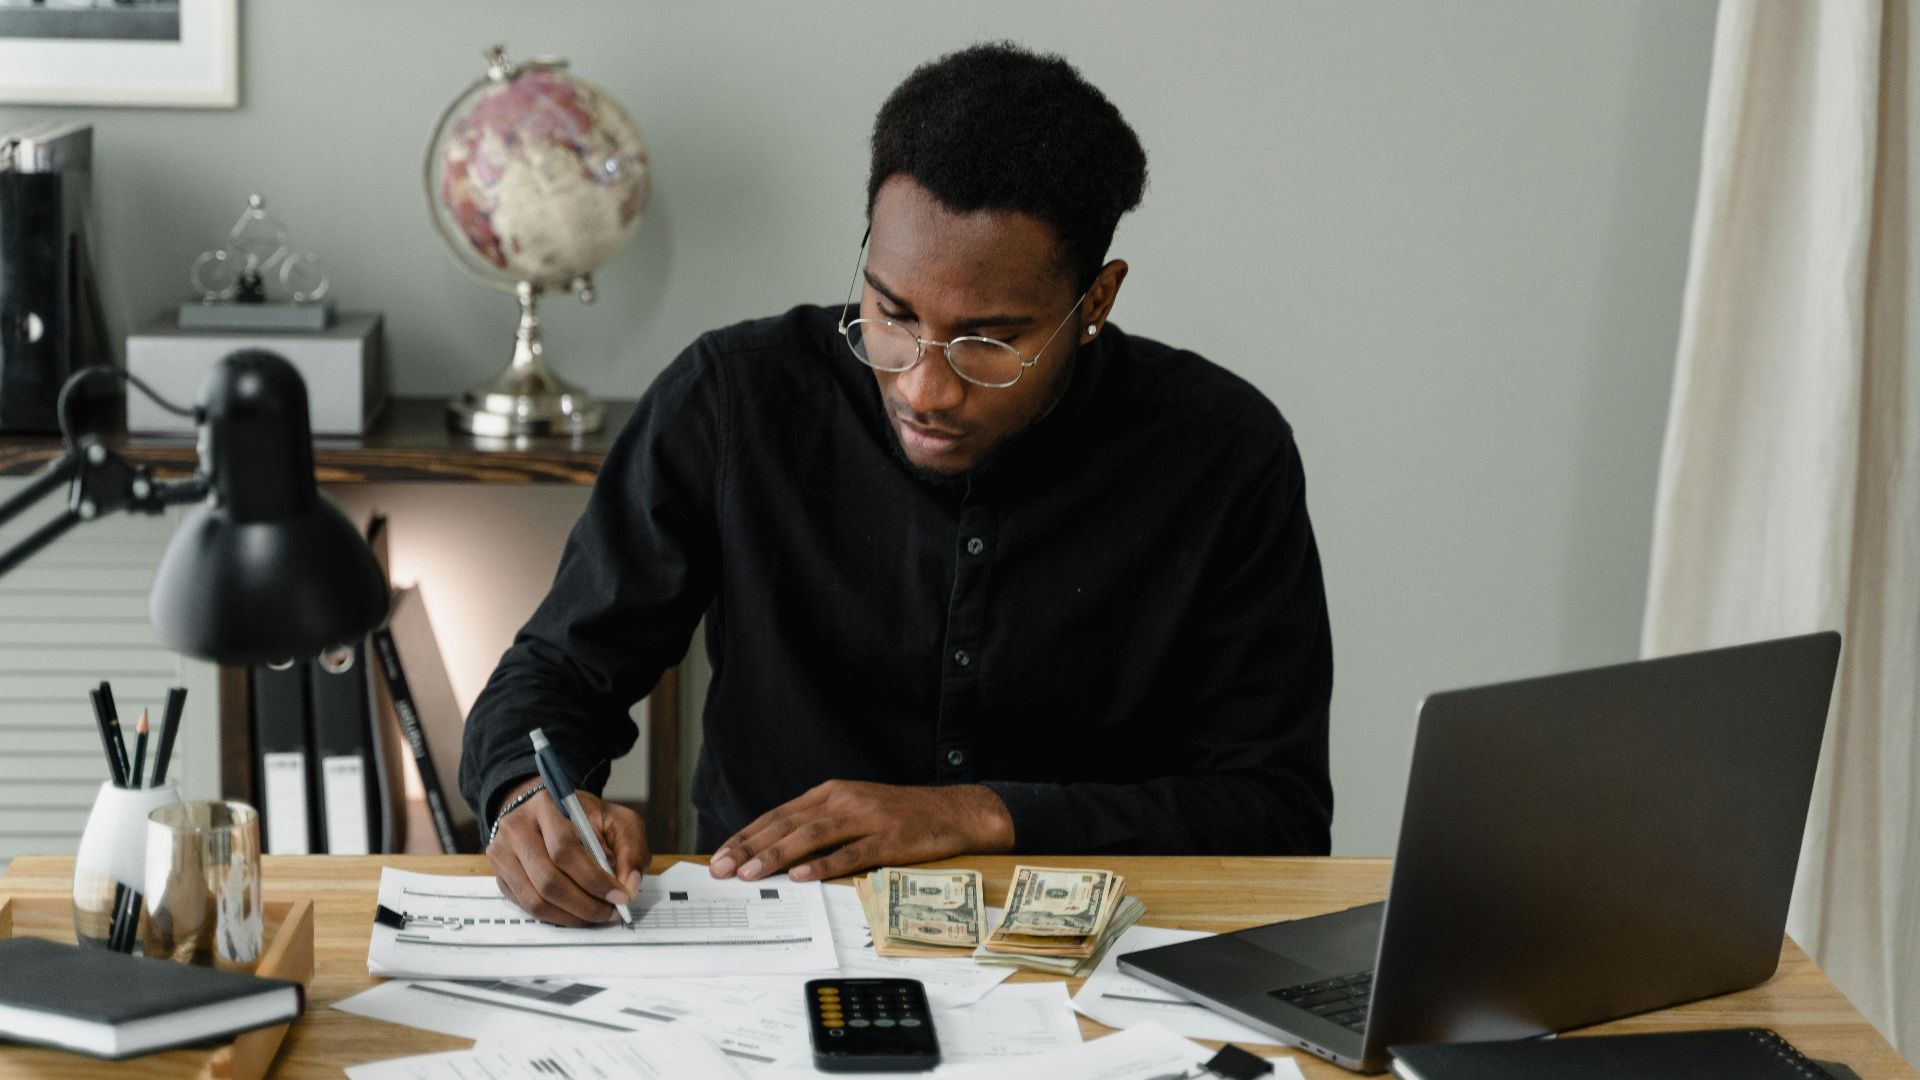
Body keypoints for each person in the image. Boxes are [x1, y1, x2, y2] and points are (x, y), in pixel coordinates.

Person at [461, 41, 1334, 927]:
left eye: (989, 341)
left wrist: (979, 815)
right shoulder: (735, 399)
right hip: (770, 936)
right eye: (892, 314)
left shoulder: (1222, 454)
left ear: (1097, 302)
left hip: (1094, 949)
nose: (924, 386)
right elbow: (558, 671)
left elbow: (1277, 813)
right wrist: (525, 796)